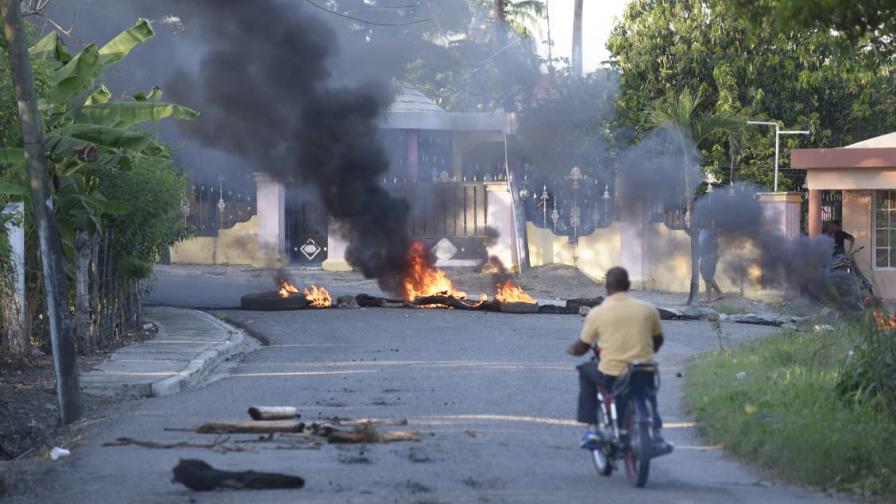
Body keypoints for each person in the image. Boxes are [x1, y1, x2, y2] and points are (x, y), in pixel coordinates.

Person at [567, 267, 670, 452]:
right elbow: (659, 340)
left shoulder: (598, 312)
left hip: (612, 374)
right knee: (647, 392)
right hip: (643, 370)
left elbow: (582, 347)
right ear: (629, 286)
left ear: (607, 288)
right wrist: (646, 353)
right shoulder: (648, 309)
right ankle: (656, 432)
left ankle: (593, 429)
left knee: (585, 372)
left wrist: (572, 349)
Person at [698, 222, 723, 303]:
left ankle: (708, 298)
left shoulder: (711, 232)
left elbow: (715, 243)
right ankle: (719, 293)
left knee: (707, 276)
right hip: (704, 256)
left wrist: (712, 255)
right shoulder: (702, 230)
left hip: (709, 256)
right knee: (706, 275)